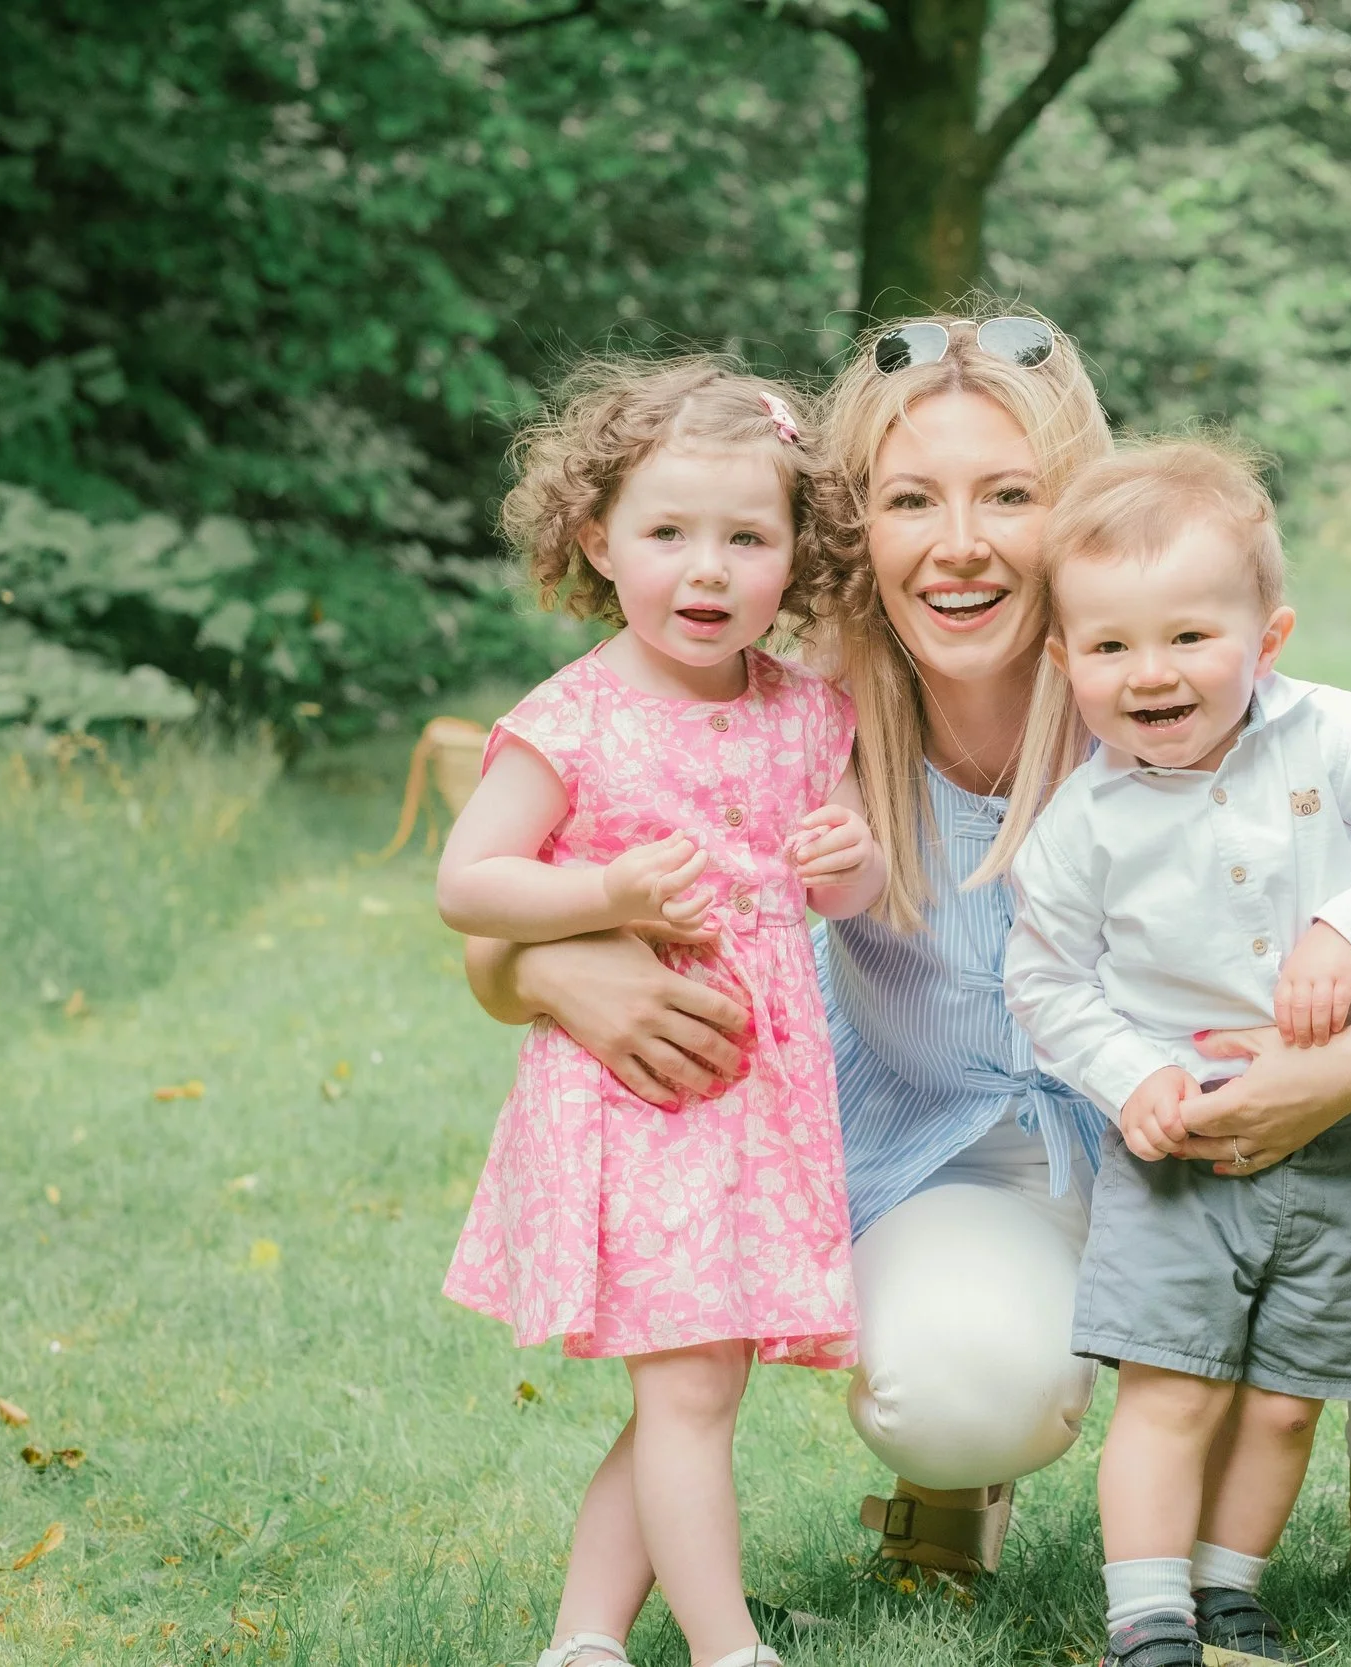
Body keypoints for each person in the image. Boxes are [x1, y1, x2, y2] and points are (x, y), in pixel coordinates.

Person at [463, 311, 1351, 1648]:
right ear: (851, 528)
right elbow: (490, 926)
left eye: (1009, 495)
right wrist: (567, 968)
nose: (961, 544)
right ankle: (956, 1471)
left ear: (1079, 512)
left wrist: (1347, 1062)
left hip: (1191, 1121)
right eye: (910, 501)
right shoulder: (802, 709)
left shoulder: (1160, 680)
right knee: (962, 1390)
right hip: (950, 1153)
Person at [994, 441, 1351, 1667]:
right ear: (1064, 662)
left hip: (1341, 1139)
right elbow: (1045, 979)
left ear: (1266, 639)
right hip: (1181, 1148)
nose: (1149, 672)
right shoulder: (1083, 824)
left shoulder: (1337, 735)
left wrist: (1349, 926)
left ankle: (1228, 1586)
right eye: (1110, 645)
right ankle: (1147, 1614)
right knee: (1173, 1385)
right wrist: (1134, 1076)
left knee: (1283, 1399)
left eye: (1188, 636)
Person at [436, 358, 888, 1667]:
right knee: (690, 1382)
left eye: (747, 537)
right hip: (640, 1099)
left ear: (796, 551)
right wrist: (607, 891)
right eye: (668, 532)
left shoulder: (809, 712)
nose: (707, 569)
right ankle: (726, 1643)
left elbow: (844, 882)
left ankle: (585, 1634)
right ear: (597, 538)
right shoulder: (573, 719)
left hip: (760, 1104)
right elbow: (469, 879)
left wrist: (845, 860)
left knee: (697, 1380)